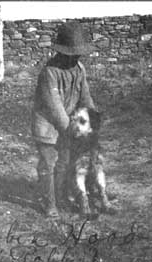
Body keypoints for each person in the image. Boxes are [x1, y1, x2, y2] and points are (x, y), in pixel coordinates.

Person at [31, 22, 97, 218]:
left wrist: (92, 121)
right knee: (48, 165)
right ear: (61, 52)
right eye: (71, 54)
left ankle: (60, 198)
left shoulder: (79, 69)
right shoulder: (49, 72)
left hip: (67, 125)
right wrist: (72, 130)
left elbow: (85, 97)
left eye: (77, 54)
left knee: (64, 163)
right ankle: (49, 203)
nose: (75, 58)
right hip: (47, 126)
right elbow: (54, 106)